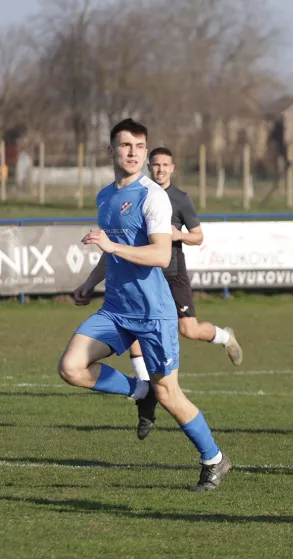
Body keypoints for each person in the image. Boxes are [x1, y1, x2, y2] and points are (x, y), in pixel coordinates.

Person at [57, 118, 231, 491]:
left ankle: (214, 459)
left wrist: (112, 246)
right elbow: (112, 249)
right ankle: (139, 391)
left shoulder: (153, 196)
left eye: (139, 146)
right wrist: (89, 283)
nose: (133, 152)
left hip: (154, 313)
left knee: (170, 393)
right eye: (125, 145)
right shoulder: (105, 197)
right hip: (116, 310)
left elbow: (160, 253)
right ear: (111, 151)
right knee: (71, 367)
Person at [131, 147, 243, 440]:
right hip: (145, 274)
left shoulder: (179, 199)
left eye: (165, 165)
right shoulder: (139, 193)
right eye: (155, 165)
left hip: (173, 275)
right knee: (134, 335)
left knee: (189, 330)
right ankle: (147, 400)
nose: (160, 170)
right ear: (148, 166)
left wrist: (179, 234)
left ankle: (225, 336)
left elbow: (198, 236)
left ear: (173, 167)